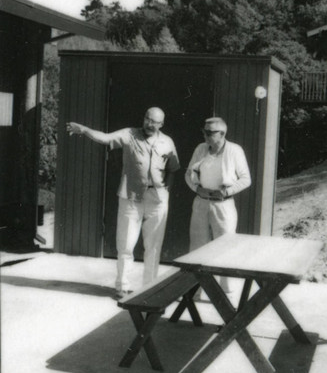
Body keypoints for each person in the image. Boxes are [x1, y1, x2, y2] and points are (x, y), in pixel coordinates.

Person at [66, 107, 180, 299]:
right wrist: (84, 130)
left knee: (153, 246)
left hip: (157, 200)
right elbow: (105, 138)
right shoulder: (129, 134)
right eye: (147, 119)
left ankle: (150, 286)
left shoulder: (167, 142)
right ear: (143, 118)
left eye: (154, 122)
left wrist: (166, 189)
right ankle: (122, 286)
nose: (150, 124)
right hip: (131, 197)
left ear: (162, 124)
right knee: (126, 244)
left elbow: (173, 168)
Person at [185, 117, 251, 294]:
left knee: (225, 247)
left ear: (222, 133)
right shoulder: (200, 149)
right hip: (201, 203)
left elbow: (246, 179)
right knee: (198, 246)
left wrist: (227, 192)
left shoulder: (234, 150)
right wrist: (197, 188)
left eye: (210, 132)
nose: (206, 135)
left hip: (223, 205)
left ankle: (225, 290)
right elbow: (188, 174)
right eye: (204, 131)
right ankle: (195, 289)